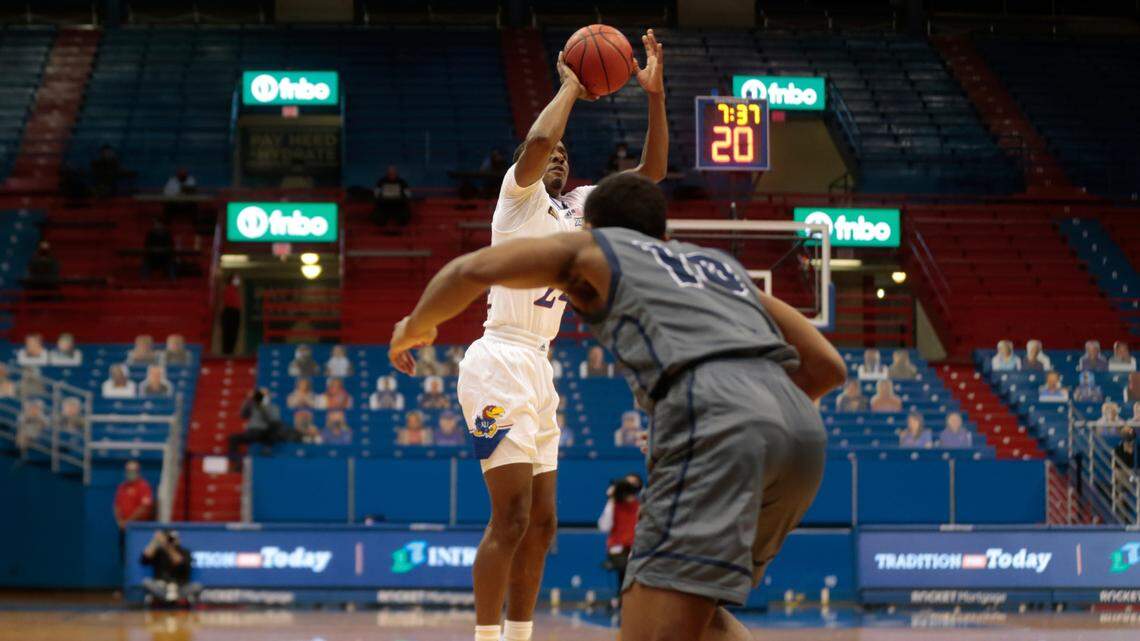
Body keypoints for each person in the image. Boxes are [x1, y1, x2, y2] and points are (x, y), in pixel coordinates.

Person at [387, 169, 845, 641]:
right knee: (700, 614)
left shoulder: (598, 251)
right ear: (664, 232)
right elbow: (828, 367)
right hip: (800, 436)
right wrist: (754, 416)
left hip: (714, 423)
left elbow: (470, 270)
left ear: (593, 228)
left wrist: (414, 326)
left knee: (648, 621)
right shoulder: (717, 265)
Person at [598, 474, 642, 609]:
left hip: (635, 550)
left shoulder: (641, 506)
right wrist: (611, 499)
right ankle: (624, 598)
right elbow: (604, 526)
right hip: (618, 550)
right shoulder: (614, 505)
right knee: (626, 565)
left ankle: (632, 599)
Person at [140, 529, 199, 606]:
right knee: (146, 582)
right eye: (169, 538)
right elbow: (145, 558)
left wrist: (167, 547)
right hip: (161, 587)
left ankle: (169, 599)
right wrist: (154, 541)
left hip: (180, 587)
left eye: (173, 538)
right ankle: (170, 599)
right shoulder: (158, 551)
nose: (171, 541)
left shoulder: (185, 552)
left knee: (196, 586)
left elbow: (178, 562)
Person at [114, 460, 154, 562]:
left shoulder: (144, 486)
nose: (131, 473)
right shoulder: (122, 487)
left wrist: (128, 522)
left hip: (139, 529)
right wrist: (120, 521)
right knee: (124, 558)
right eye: (128, 471)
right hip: (124, 530)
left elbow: (144, 508)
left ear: (138, 472)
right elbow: (117, 506)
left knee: (137, 558)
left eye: (133, 471)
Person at [228, 388, 285, 458]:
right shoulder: (252, 405)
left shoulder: (273, 407)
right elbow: (243, 415)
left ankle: (267, 449)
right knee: (233, 438)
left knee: (275, 430)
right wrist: (248, 400)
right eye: (260, 394)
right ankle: (235, 461)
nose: (262, 396)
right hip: (252, 432)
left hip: (266, 432)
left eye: (264, 395)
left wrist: (262, 406)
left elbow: (274, 420)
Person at [373, 165, 412, 230]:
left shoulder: (402, 182)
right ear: (387, 173)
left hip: (399, 205)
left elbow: (408, 194)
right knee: (378, 216)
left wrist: (404, 199)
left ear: (396, 173)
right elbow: (376, 194)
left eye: (393, 173)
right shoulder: (381, 181)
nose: (391, 175)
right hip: (384, 205)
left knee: (404, 215)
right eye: (390, 173)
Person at [1112, 425, 1137, 521]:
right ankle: (1121, 519)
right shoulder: (1118, 449)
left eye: (1129, 433)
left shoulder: (1137, 448)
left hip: (1135, 475)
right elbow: (1116, 467)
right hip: (1123, 476)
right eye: (1126, 433)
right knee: (1120, 495)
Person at [220, 275, 242, 355]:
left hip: (235, 312)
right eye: (236, 280)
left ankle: (231, 351)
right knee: (228, 333)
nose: (238, 281)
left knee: (234, 333)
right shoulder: (228, 289)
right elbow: (225, 302)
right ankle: (226, 351)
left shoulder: (236, 291)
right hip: (229, 312)